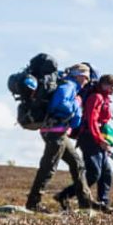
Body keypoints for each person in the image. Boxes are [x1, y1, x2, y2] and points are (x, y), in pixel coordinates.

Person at [28, 62, 90, 211]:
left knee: (77, 163)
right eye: (86, 78)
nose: (87, 81)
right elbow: (58, 104)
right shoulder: (68, 86)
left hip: (58, 131)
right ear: (80, 76)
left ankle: (85, 202)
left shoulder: (70, 86)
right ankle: (33, 203)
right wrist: (76, 105)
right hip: (55, 131)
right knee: (48, 167)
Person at [75, 72, 113, 211]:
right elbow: (92, 120)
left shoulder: (105, 99)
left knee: (106, 174)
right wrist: (99, 140)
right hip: (89, 138)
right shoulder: (96, 97)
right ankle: (72, 195)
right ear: (104, 85)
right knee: (94, 173)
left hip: (98, 139)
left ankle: (103, 204)